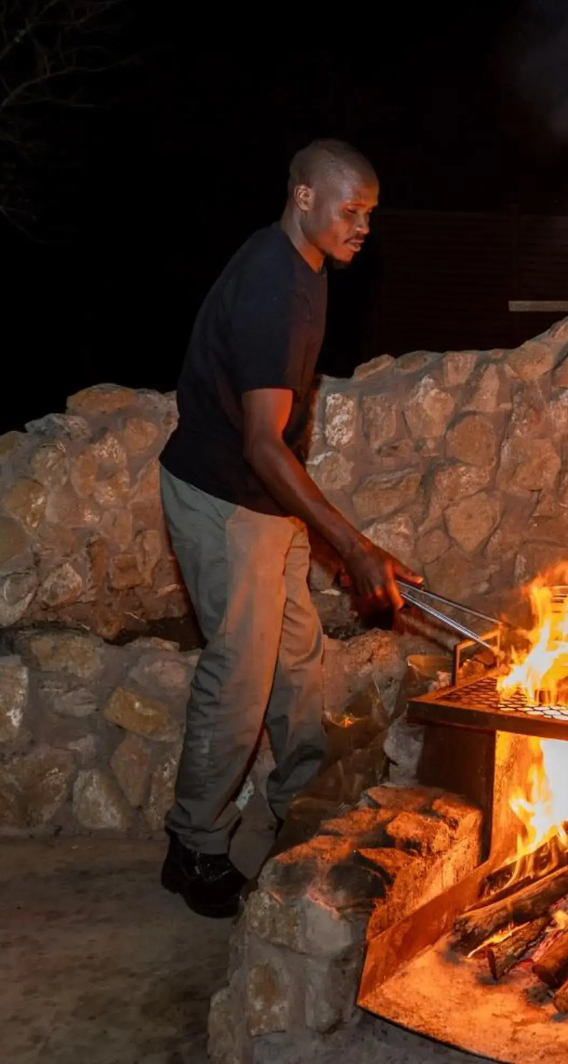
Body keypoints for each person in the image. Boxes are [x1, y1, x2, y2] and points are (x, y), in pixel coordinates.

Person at [156, 138, 420, 919]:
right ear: (304, 195)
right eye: (351, 210)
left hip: (262, 500)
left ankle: (302, 808)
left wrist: (323, 539)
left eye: (369, 215)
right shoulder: (276, 286)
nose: (362, 227)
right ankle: (193, 848)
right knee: (239, 674)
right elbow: (262, 443)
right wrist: (351, 543)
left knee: (299, 658)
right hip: (222, 497)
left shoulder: (301, 262)